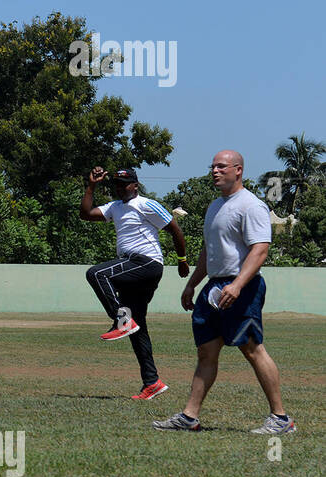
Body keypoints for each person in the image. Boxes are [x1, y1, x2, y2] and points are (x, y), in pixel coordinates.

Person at [153, 149, 296, 435]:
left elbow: (260, 249)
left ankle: (281, 419)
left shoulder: (251, 205)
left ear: (238, 170)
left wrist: (238, 284)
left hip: (242, 285)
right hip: (214, 287)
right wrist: (193, 283)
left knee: (252, 348)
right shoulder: (215, 206)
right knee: (206, 351)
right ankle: (189, 417)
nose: (215, 171)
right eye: (213, 166)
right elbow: (209, 251)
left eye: (221, 166)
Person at [80, 166, 188, 400]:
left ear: (135, 185)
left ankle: (122, 321)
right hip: (131, 266)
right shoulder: (115, 208)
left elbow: (175, 229)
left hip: (147, 264)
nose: (120, 188)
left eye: (124, 184)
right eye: (117, 184)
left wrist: (182, 260)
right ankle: (152, 382)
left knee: (97, 274)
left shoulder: (147, 204)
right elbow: (86, 213)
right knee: (139, 327)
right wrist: (92, 185)